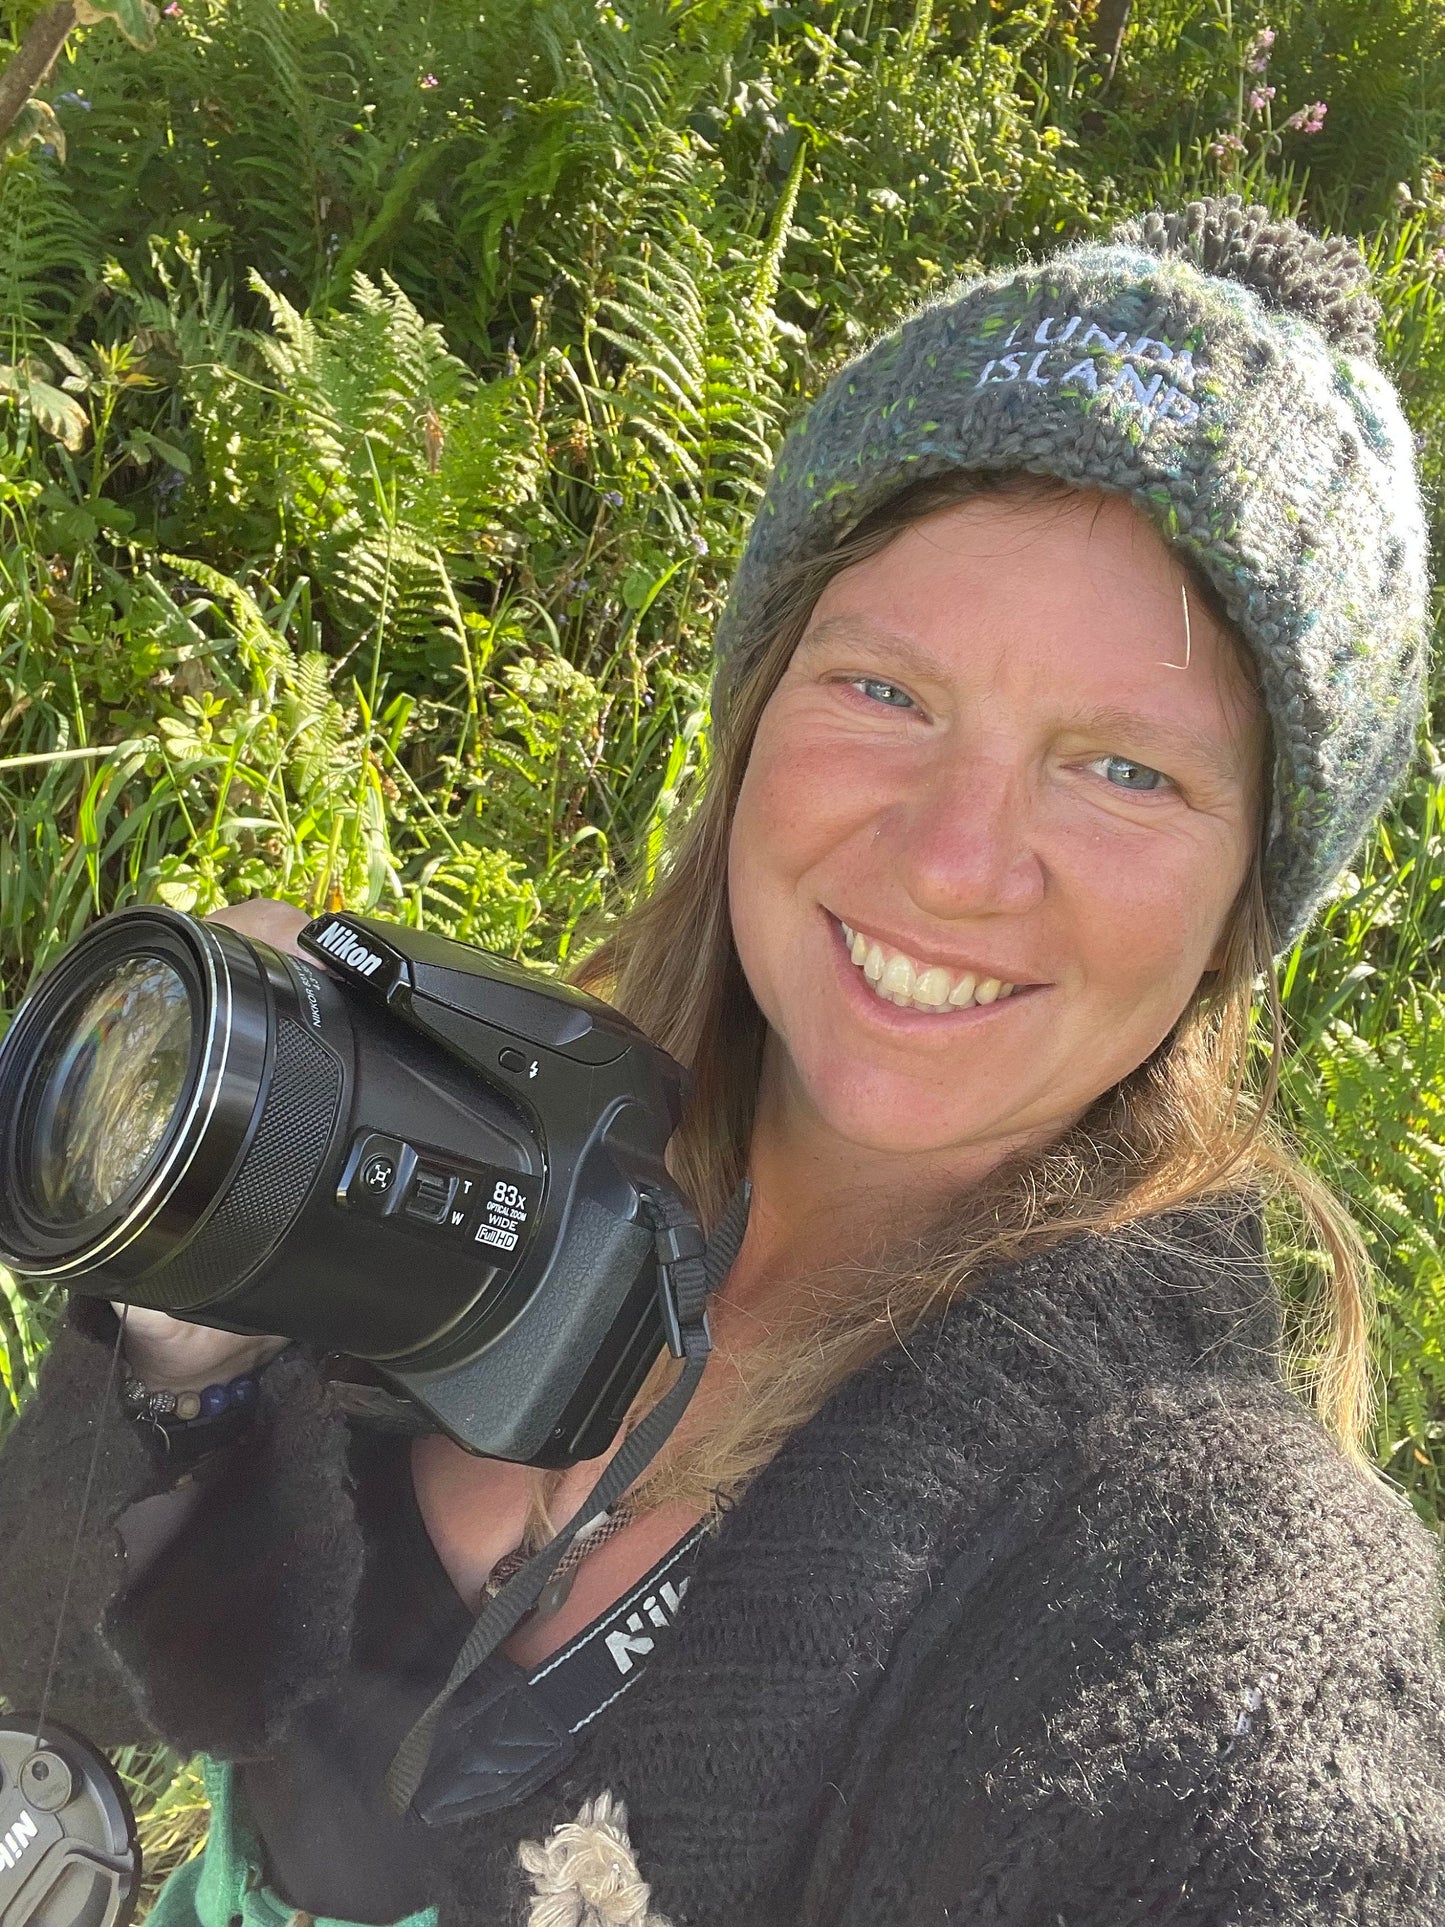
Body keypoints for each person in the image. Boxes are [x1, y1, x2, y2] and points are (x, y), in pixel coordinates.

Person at [2, 194, 1443, 1927]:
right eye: (886, 692)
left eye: (1125, 770)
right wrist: (192, 1347)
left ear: (1246, 898)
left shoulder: (1215, 1629)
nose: (952, 863)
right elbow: (87, 1678)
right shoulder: (491, 1144)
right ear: (753, 708)